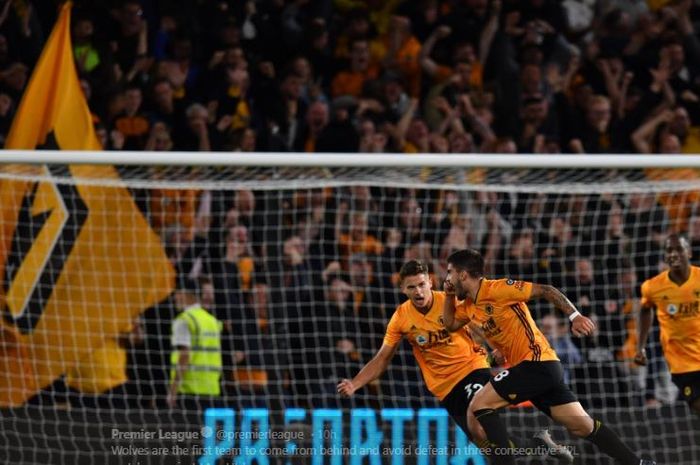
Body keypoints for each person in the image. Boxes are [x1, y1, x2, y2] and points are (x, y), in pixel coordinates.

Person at [337, 259, 573, 462]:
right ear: (403, 289)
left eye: (422, 284)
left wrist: (496, 348)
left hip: (473, 368)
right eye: (412, 287)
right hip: (445, 388)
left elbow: (481, 323)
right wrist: (355, 384)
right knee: (489, 448)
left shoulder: (449, 303)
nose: (418, 292)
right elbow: (382, 358)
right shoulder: (400, 318)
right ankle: (539, 446)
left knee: (481, 425)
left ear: (430, 281)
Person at [443, 249, 656, 465]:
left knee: (479, 407)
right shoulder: (468, 307)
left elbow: (546, 290)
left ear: (462, 275)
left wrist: (575, 316)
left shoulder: (498, 288)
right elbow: (450, 324)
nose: (446, 279)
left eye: (449, 272)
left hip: (537, 363)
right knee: (582, 426)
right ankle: (638, 463)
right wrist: (450, 296)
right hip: (536, 371)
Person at [635, 234, 700, 414]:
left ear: (689, 252)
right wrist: (640, 347)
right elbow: (645, 310)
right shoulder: (653, 286)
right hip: (682, 361)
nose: (673, 254)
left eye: (678, 249)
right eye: (669, 250)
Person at [167, 280, 223, 411]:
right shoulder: (212, 320)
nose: (175, 298)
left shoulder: (184, 319)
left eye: (177, 294)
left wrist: (173, 390)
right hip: (212, 389)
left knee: (187, 432)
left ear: (185, 294)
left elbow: (184, 355)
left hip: (189, 391)